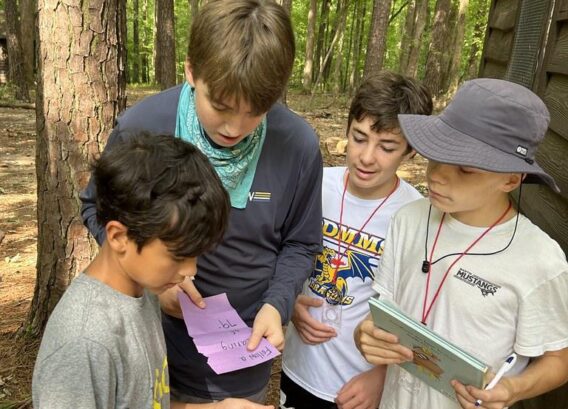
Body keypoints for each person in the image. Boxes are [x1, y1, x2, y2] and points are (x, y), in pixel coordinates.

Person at [79, 0, 323, 405]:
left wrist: (275, 307)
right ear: (192, 70)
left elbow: (300, 243)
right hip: (151, 342)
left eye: (255, 112)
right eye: (221, 107)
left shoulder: (297, 145)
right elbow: (96, 209)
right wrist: (150, 283)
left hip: (243, 351)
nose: (234, 127)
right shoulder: (144, 127)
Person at [354, 78, 568, 409]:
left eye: (465, 169)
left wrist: (512, 390)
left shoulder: (540, 260)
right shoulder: (409, 218)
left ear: (511, 179)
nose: (438, 175)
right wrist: (366, 334)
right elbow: (385, 309)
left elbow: (558, 357)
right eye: (436, 155)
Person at [33, 133, 231, 408]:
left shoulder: (141, 291)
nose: (190, 270)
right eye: (178, 255)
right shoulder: (84, 344)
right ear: (118, 237)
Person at [280, 71, 433, 409]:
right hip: (299, 367)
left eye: (387, 147)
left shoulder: (417, 216)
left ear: (411, 152)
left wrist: (381, 376)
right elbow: (281, 252)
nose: (366, 156)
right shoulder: (315, 184)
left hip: (359, 385)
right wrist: (287, 301)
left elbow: (420, 311)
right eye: (359, 137)